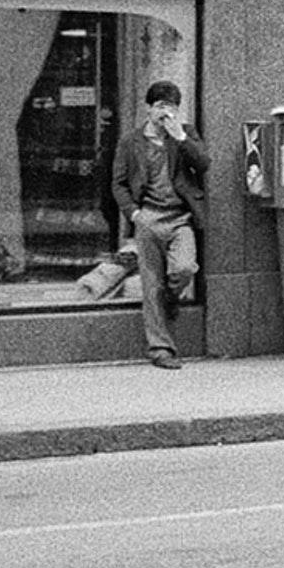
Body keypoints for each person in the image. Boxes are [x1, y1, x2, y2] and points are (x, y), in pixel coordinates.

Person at [110, 80, 208, 369]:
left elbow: (204, 164)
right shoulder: (131, 141)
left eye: (172, 108)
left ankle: (171, 296)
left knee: (184, 268)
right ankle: (161, 350)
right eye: (161, 107)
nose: (166, 113)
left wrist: (179, 137)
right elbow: (118, 183)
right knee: (151, 285)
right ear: (148, 109)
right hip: (149, 217)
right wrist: (134, 213)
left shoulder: (185, 133)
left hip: (181, 218)